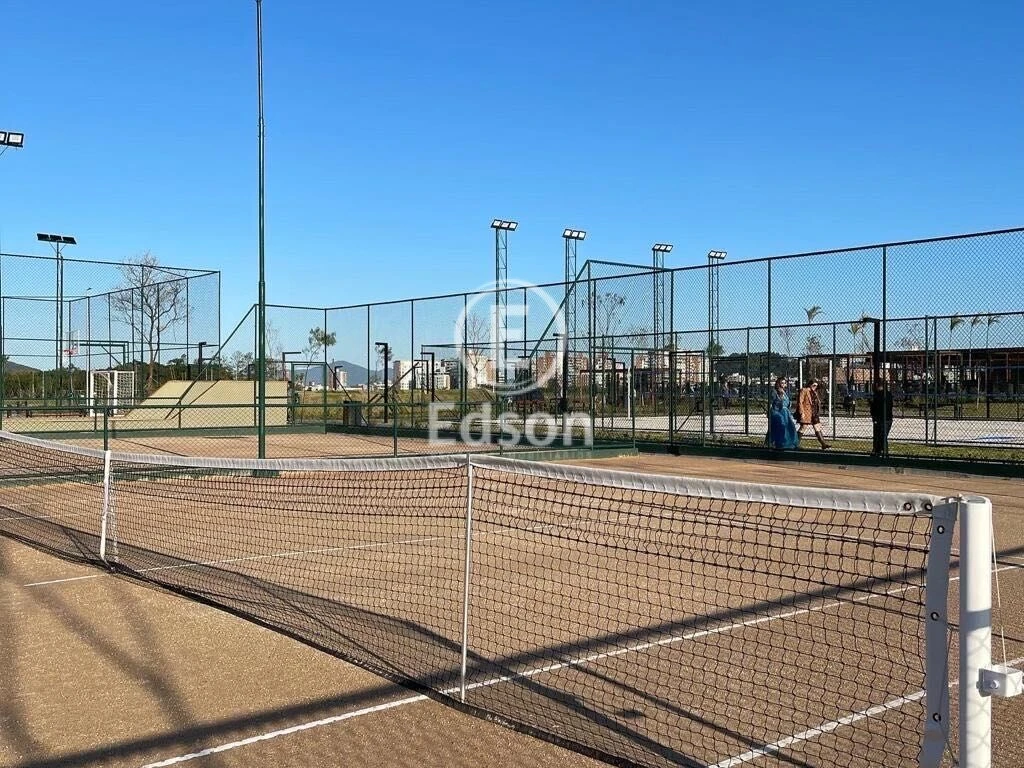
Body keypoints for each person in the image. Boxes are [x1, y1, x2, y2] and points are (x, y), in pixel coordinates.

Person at [768, 377, 799, 450]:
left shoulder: (786, 392)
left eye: (785, 383)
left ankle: (790, 443)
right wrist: (770, 412)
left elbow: (788, 403)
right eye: (782, 383)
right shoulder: (774, 391)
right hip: (778, 412)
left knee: (790, 427)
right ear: (778, 383)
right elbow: (771, 403)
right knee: (780, 427)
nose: (783, 384)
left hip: (786, 413)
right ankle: (778, 443)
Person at [797, 379, 830, 450]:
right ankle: (795, 443)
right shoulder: (804, 390)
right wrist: (802, 412)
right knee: (803, 427)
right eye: (814, 385)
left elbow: (822, 387)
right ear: (810, 384)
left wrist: (819, 382)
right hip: (806, 412)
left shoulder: (815, 392)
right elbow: (800, 402)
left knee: (817, 427)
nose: (815, 387)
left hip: (814, 413)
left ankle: (823, 443)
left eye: (816, 386)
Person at [870, 381, 893, 457]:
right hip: (887, 418)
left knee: (880, 435)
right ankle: (880, 451)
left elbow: (874, 408)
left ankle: (880, 451)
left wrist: (874, 416)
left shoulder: (877, 395)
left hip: (880, 418)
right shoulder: (888, 394)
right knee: (882, 435)